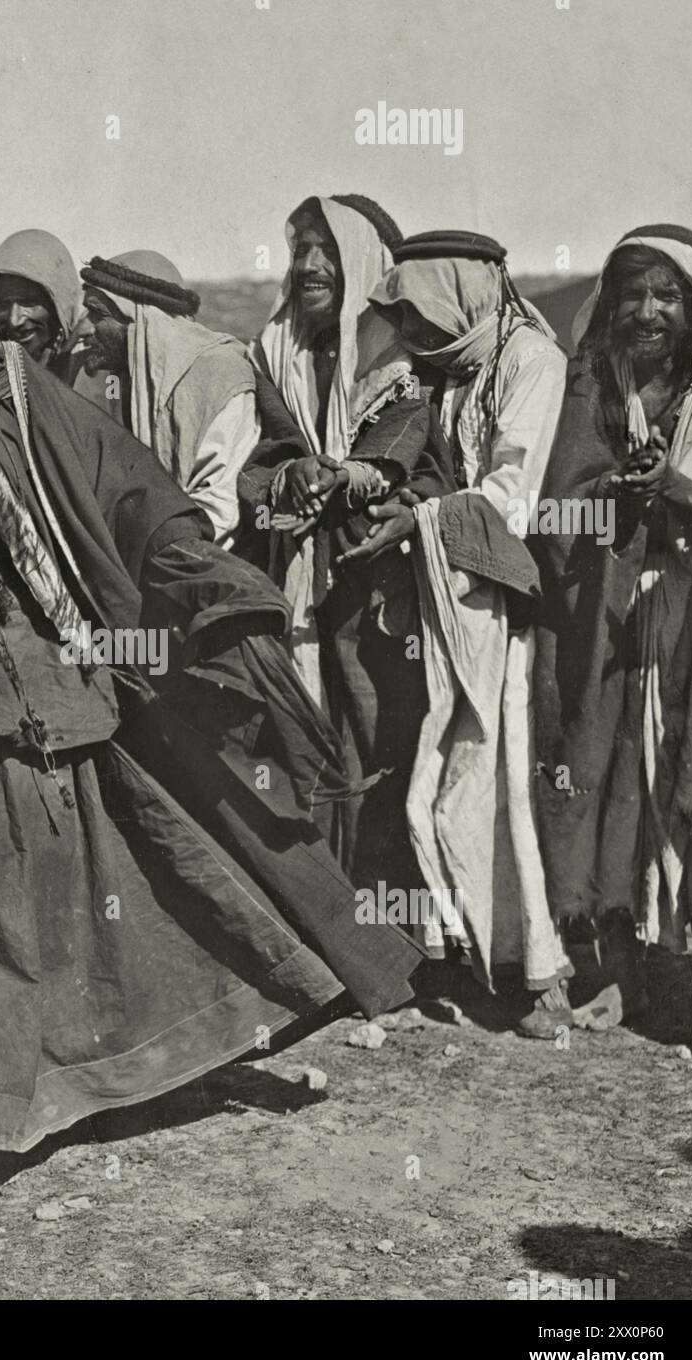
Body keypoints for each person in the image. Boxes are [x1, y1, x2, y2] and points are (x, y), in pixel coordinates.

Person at [0, 198, 422, 1166]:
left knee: (73, 857)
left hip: (21, 653)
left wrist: (189, 564)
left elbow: (107, 471)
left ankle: (91, 1067)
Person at [366, 232, 574, 1037]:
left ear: (461, 296)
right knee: (446, 778)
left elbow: (508, 498)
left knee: (504, 783)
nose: (414, 337)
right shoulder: (454, 371)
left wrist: (410, 523)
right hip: (454, 597)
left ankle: (541, 974)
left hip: (511, 605)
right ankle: (465, 951)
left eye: (422, 317)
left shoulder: (530, 363)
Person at [238, 193, 454, 903]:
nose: (309, 266)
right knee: (304, 729)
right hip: (295, 572)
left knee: (380, 737)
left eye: (325, 251)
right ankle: (324, 912)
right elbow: (260, 457)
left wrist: (354, 479)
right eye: (300, 250)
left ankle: (392, 917)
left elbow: (417, 459)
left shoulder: (401, 355)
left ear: (359, 261)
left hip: (379, 578)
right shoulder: (275, 353)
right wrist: (291, 477)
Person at [533, 224, 692, 1051]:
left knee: (677, 788)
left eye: (668, 295)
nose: (648, 312)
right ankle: (611, 970)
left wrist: (676, 490)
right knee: (601, 778)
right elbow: (555, 503)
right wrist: (613, 494)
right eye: (635, 293)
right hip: (603, 619)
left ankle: (679, 983)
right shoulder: (592, 386)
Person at [79, 251, 259, 545]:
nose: (85, 328)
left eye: (97, 314)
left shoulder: (219, 378)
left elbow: (218, 510)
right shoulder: (105, 376)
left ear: (143, 323)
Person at [0, 229, 88, 382]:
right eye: (4, 304)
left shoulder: (89, 363)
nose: (14, 321)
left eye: (28, 302)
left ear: (58, 303)